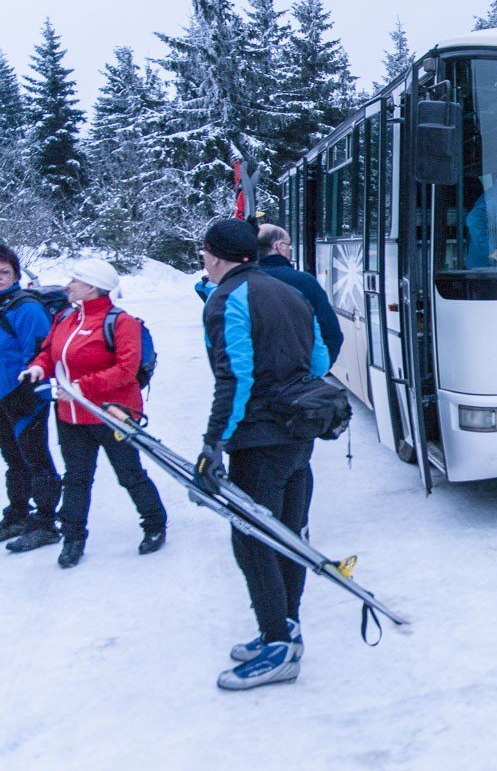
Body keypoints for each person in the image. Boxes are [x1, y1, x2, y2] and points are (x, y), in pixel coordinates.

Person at [194, 219, 328, 690]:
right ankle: (284, 629)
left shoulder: (226, 299)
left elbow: (235, 378)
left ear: (215, 255)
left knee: (252, 540)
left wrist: (214, 442)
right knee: (289, 535)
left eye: (205, 254)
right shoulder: (290, 291)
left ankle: (277, 646)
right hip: (298, 433)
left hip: (258, 440)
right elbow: (320, 362)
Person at [17, 258, 167, 567]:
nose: (69, 285)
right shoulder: (65, 318)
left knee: (129, 474)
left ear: (93, 288)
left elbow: (126, 370)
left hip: (112, 414)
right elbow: (49, 352)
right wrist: (37, 368)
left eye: (76, 281)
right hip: (71, 415)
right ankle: (73, 537)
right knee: (76, 479)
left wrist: (82, 386)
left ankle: (154, 523)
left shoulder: (121, 323)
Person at [0, 246, 60, 547]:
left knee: (35, 457)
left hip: (24, 397)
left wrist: (26, 394)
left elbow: (40, 354)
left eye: (4, 272)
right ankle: (20, 511)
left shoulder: (27, 308)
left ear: (16, 274)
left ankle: (46, 521)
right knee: (13, 458)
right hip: (1, 398)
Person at [256, 224, 343, 367]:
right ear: (278, 246)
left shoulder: (240, 282)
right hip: (298, 378)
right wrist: (317, 370)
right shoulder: (304, 282)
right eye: (289, 245)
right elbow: (331, 333)